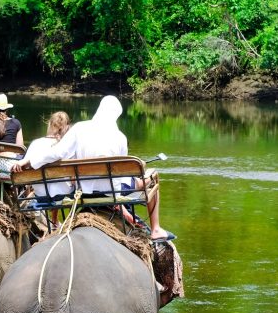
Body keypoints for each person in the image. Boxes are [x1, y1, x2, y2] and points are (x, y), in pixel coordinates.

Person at [12, 95, 171, 240]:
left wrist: (28, 161)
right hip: (113, 191)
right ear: (116, 115)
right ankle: (156, 229)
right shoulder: (120, 137)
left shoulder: (79, 128)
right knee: (153, 177)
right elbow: (121, 173)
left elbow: (56, 153)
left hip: (84, 190)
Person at [21, 111, 72, 203]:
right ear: (68, 126)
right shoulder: (68, 146)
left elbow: (26, 168)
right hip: (64, 193)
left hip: (41, 194)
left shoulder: (36, 143)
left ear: (49, 124)